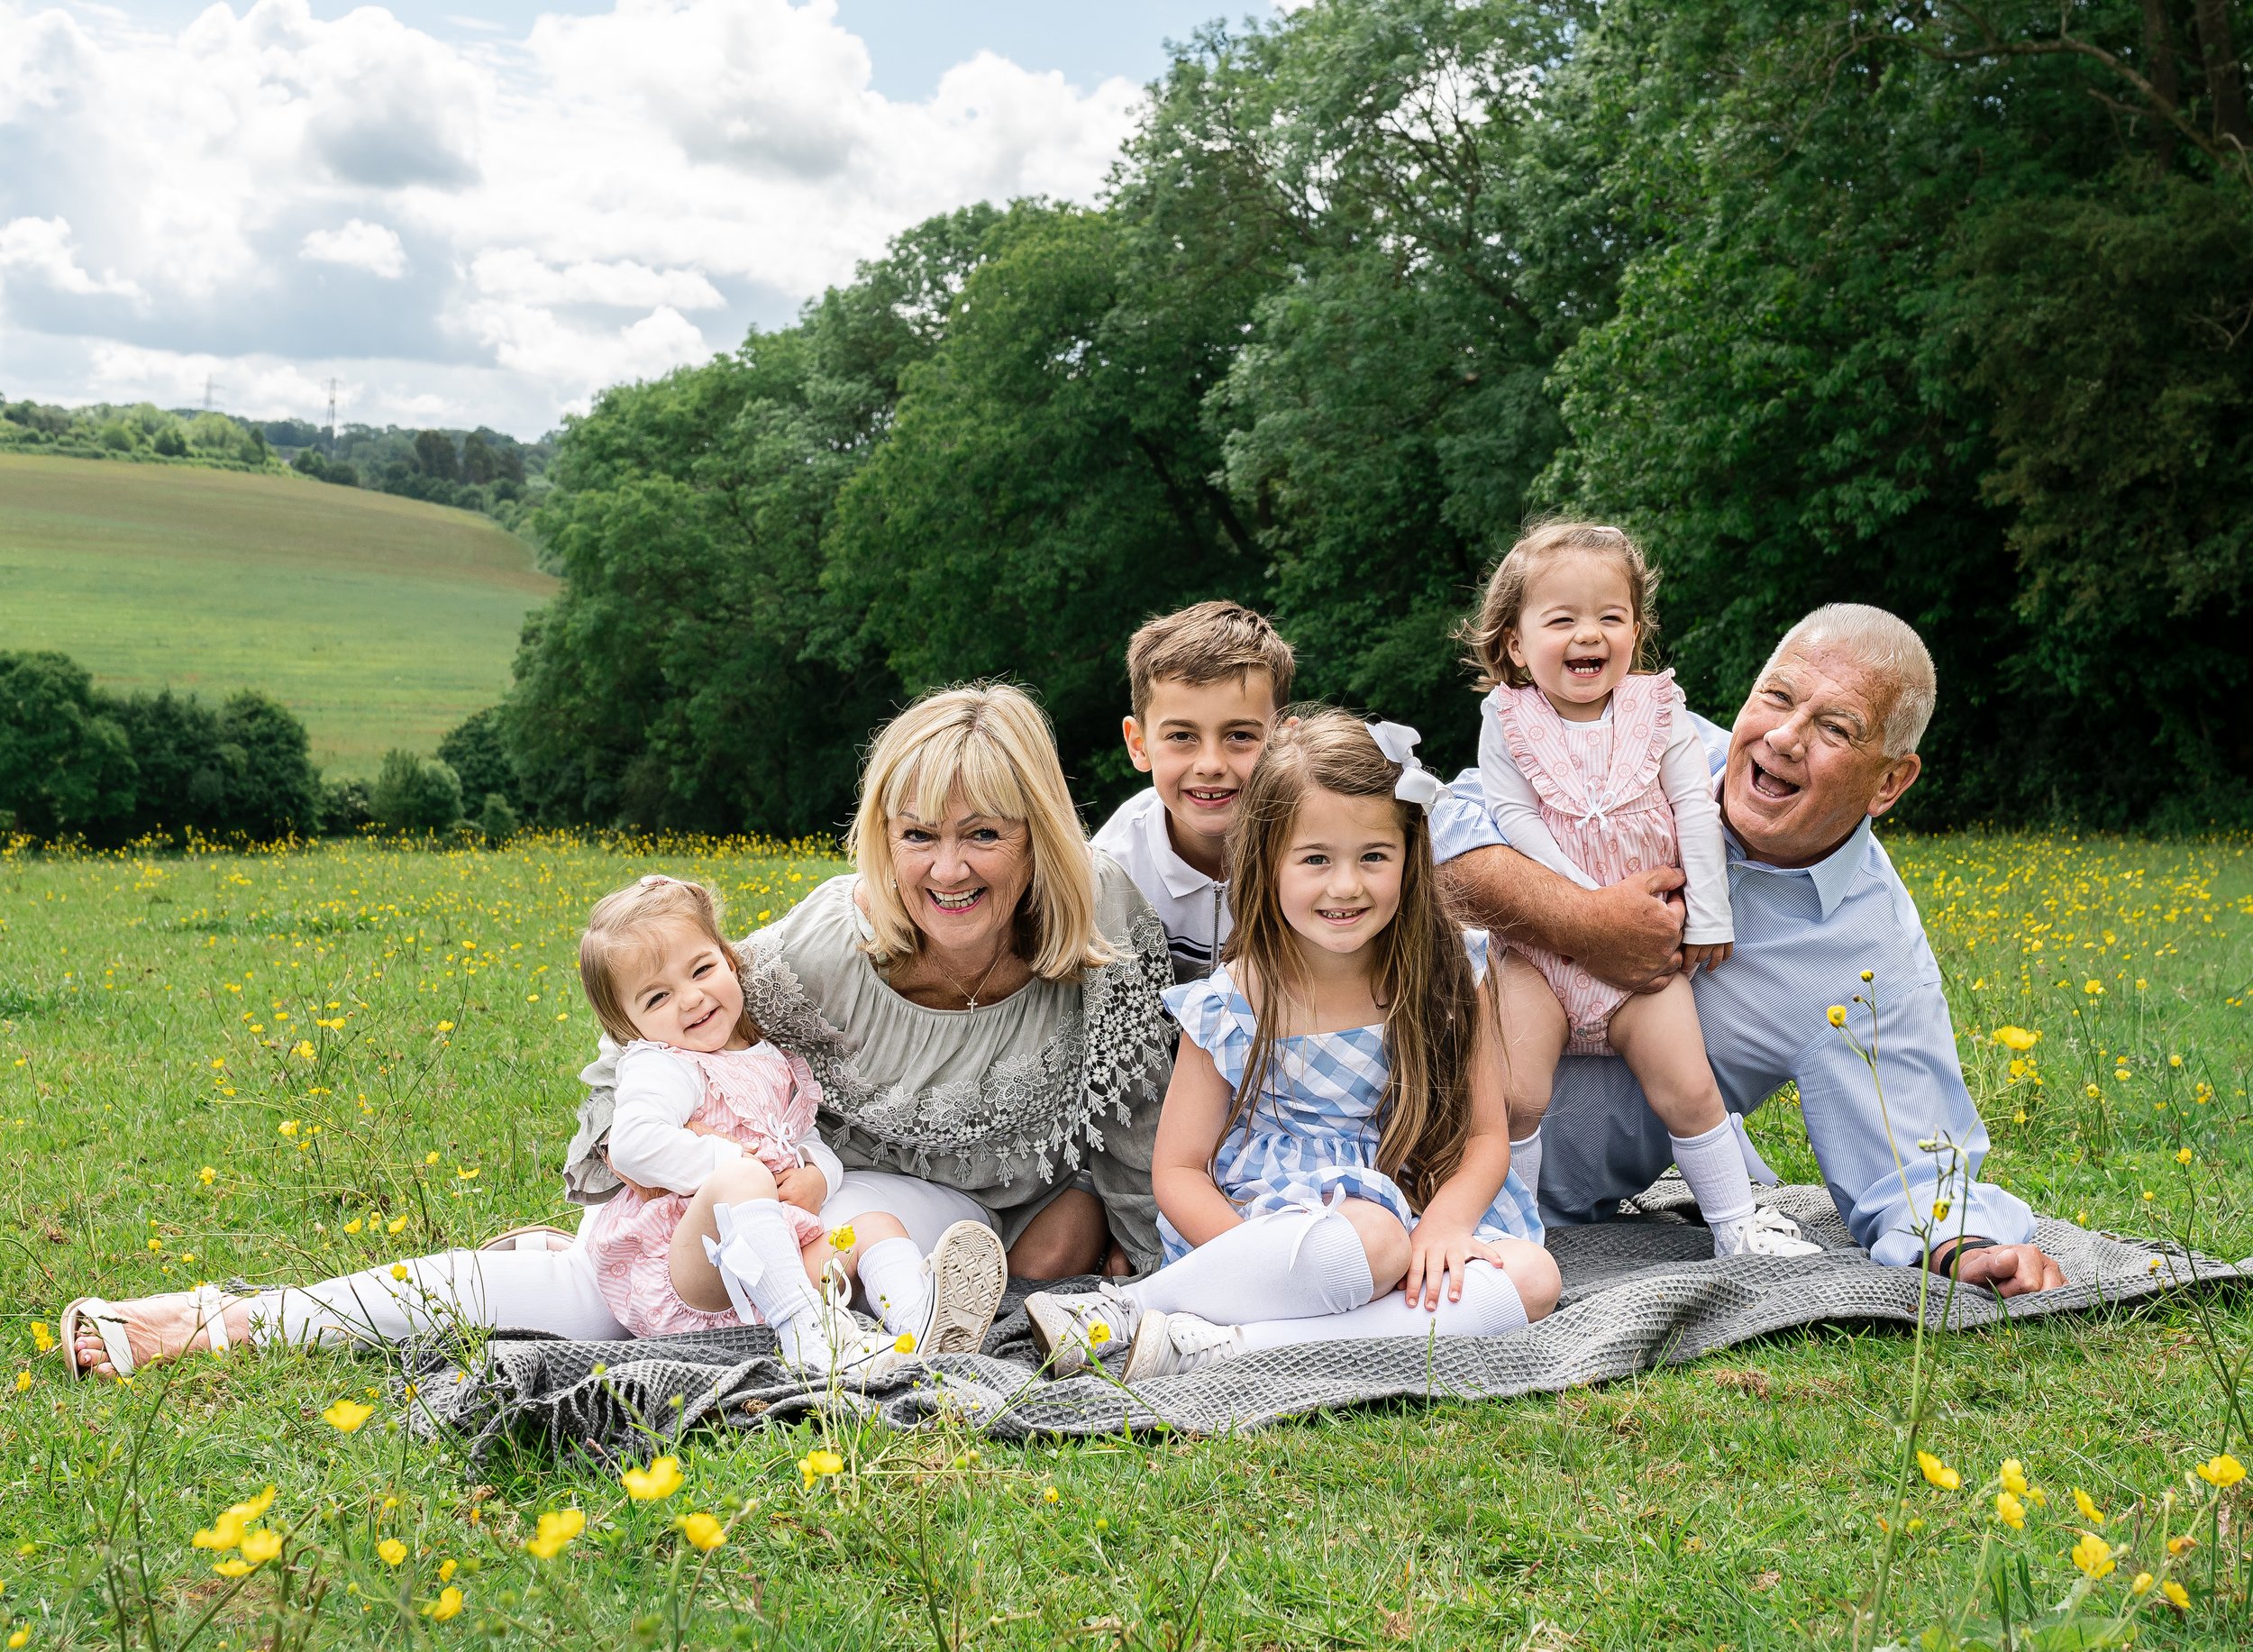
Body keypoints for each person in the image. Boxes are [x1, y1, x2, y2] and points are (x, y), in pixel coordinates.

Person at [65, 683, 1173, 1381]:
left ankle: (901, 1348)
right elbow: (654, 1039)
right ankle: (229, 1320)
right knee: (574, 1297)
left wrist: (1169, 1288)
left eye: (983, 834)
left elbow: (1136, 1128)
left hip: (892, 1224)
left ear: (1038, 834)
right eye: (918, 834)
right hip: (765, 1206)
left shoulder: (1101, 933)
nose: (947, 869)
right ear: (882, 838)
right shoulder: (832, 945)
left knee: (913, 1235)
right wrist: (636, 1200)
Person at [1439, 603, 2065, 1294]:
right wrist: (1585, 923)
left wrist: (1970, 1249)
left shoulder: (1865, 954)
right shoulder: (1646, 749)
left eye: (1836, 728)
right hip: (1350, 1078)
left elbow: (1915, 1166)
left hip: (1508, 1212)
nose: (1787, 737)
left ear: (1889, 781)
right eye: (1778, 696)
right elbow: (1441, 843)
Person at [1025, 712, 1558, 1380]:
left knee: (1534, 1278)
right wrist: (1258, 1260)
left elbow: (1485, 1138)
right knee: (1369, 1239)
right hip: (1276, 1226)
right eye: (1315, 859)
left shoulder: (1448, 975)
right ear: (1268, 862)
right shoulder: (1236, 997)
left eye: (1374, 856)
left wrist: (1444, 1229)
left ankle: (1228, 1347)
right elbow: (1180, 1171)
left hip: (1415, 1204)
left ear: (1409, 857)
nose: (1346, 885)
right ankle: (1130, 1310)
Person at [1465, 521, 1815, 1259]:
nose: (1588, 633)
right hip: (1540, 953)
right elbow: (1512, 817)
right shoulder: (1507, 720)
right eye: (1561, 619)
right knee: (1516, 1093)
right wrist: (1586, 907)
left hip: (1650, 951)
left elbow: (1697, 808)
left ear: (1636, 631)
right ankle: (1517, 1231)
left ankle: (1735, 1225)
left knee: (1688, 1086)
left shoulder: (1660, 711)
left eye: (1610, 617)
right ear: (1516, 643)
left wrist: (1709, 916)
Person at [574, 874, 1004, 1377]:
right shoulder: (664, 1064)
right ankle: (810, 1334)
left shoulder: (770, 1061)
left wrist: (818, 1173)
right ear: (627, 1025)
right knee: (743, 1178)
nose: (690, 999)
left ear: (730, 963)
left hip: (770, 1272)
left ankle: (919, 1328)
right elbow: (631, 1146)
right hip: (691, 1272)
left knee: (873, 1229)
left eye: (702, 969)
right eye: (656, 998)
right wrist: (734, 1165)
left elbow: (804, 1137)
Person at [1094, 599, 1509, 981]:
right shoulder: (1111, 869)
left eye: (1240, 735)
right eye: (1182, 737)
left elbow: (1431, 817)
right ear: (1138, 744)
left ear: (1283, 740)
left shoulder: (1334, 820)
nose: (1211, 765)